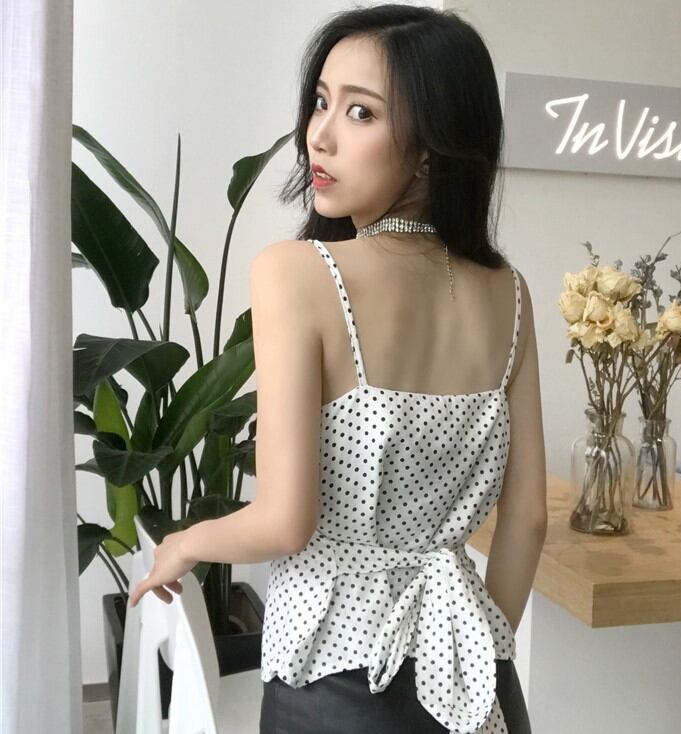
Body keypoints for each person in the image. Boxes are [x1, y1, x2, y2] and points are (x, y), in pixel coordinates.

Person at [130, 4, 547, 733]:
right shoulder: (510, 293)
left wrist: (184, 543)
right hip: (478, 685)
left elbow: (285, 521)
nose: (318, 135)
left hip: (335, 684)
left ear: (430, 149)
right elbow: (530, 518)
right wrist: (476, 654)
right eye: (321, 101)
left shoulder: (297, 273)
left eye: (361, 113)